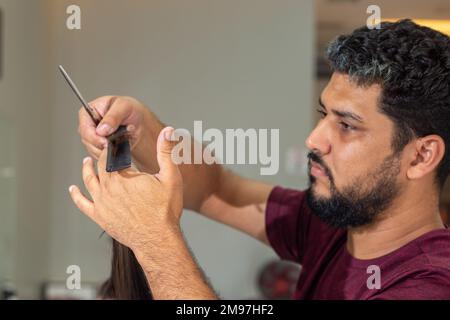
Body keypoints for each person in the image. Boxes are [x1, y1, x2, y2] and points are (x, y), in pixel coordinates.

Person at [70, 19, 450, 299]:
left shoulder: (429, 286)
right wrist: (141, 128)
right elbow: (219, 189)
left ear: (421, 155)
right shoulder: (333, 222)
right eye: (324, 116)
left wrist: (154, 241)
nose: (315, 139)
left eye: (347, 125)